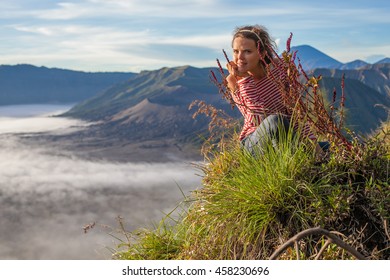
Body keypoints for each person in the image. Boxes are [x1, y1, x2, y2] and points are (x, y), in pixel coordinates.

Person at [225, 24, 320, 155]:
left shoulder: (282, 68)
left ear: (262, 53)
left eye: (247, 51)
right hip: (253, 144)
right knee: (276, 120)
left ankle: (298, 158)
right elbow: (257, 118)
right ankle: (293, 165)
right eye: (236, 51)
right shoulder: (233, 81)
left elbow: (295, 112)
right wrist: (245, 79)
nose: (239, 57)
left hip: (286, 138)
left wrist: (312, 143)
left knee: (330, 149)